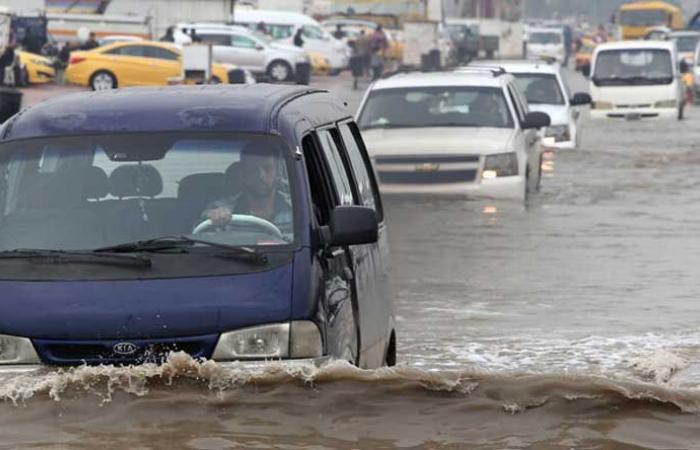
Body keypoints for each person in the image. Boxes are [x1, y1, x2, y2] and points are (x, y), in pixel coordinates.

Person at [202, 145, 291, 229]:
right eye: (253, 169)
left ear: (278, 173)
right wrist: (211, 217)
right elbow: (199, 234)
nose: (261, 175)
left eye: (267, 168)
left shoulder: (294, 209)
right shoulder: (223, 208)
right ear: (243, 175)